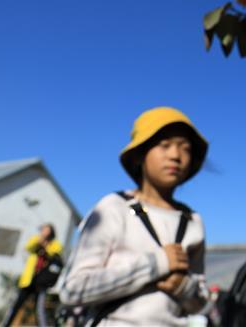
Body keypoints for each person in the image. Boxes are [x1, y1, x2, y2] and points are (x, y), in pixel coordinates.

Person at [58, 106, 210, 326]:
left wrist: (184, 287)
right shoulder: (113, 208)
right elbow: (72, 289)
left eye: (185, 148)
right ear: (140, 155)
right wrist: (157, 263)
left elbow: (201, 303)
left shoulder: (193, 222)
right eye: (164, 145)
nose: (175, 155)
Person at [0, 223, 63, 327]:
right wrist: (39, 241)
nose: (44, 232)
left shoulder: (55, 244)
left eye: (46, 230)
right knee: (16, 305)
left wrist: (46, 246)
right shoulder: (36, 239)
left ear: (51, 232)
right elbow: (28, 247)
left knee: (39, 308)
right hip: (29, 279)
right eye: (43, 230)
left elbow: (56, 252)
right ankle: (6, 324)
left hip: (42, 281)